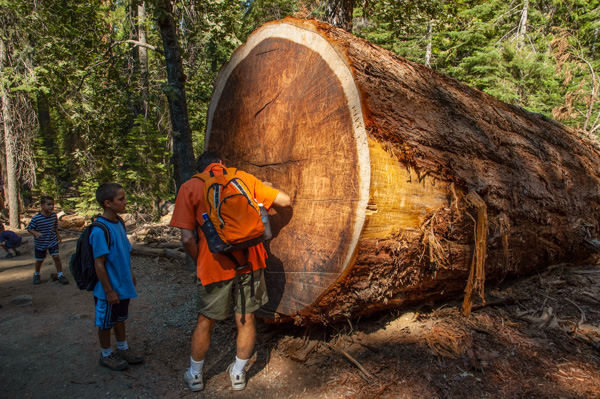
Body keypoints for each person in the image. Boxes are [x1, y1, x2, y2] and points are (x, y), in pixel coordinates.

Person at [170, 151, 291, 392]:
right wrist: (266, 187)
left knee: (205, 322)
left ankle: (195, 376)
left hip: (214, 265)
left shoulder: (190, 187)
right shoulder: (244, 178)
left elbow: (185, 239)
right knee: (246, 320)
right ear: (222, 165)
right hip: (251, 260)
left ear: (201, 168)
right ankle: (238, 374)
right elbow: (285, 201)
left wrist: (199, 259)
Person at [91, 183, 143, 371]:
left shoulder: (119, 223)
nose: (125, 202)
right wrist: (108, 290)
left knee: (120, 318)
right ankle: (105, 354)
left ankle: (122, 348)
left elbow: (124, 252)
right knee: (106, 322)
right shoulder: (99, 230)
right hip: (109, 289)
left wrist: (130, 275)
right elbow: (99, 263)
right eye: (121, 199)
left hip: (122, 285)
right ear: (108, 203)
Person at [26, 196, 68, 285]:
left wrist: (57, 235)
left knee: (56, 257)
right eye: (48, 204)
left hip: (52, 239)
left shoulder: (53, 216)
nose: (51, 207)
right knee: (40, 260)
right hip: (41, 242)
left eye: (52, 204)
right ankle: (36, 274)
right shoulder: (36, 218)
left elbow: (55, 226)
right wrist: (35, 233)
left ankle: (60, 275)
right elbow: (29, 228)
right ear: (42, 206)